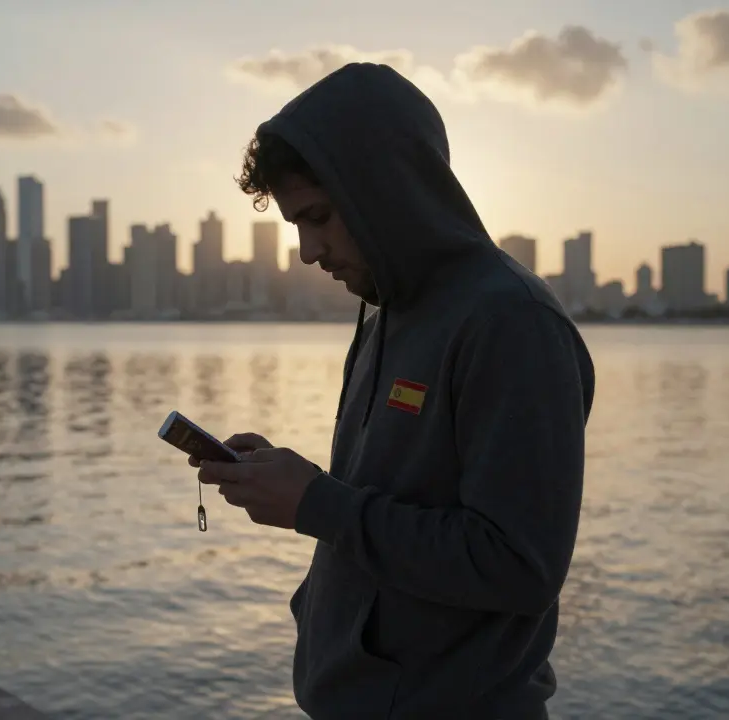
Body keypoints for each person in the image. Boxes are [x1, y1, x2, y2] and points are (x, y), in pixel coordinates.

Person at [191, 62, 595, 719]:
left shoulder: (510, 323)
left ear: (387, 192)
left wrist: (318, 504)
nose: (307, 252)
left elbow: (519, 567)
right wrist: (296, 485)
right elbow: (396, 498)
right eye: (297, 224)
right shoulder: (389, 314)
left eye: (319, 217)